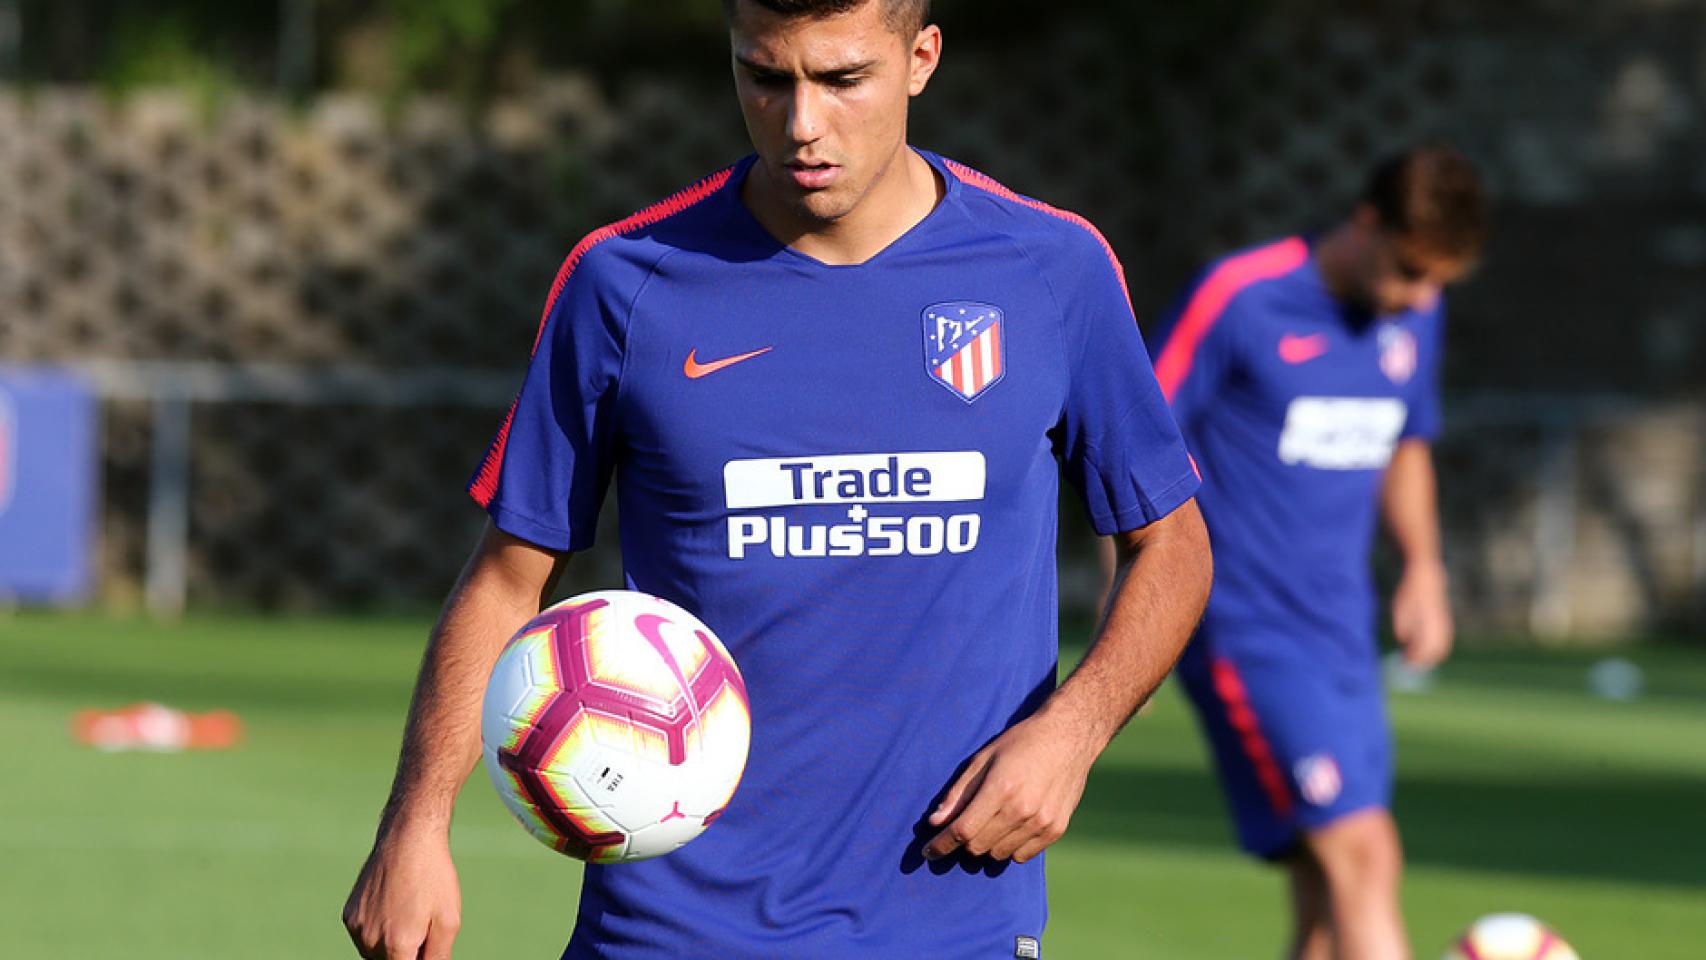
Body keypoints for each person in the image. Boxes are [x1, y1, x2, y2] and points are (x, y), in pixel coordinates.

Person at [342, 0, 1213, 957]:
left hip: (949, 915)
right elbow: (510, 577)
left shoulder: (1051, 271)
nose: (802, 124)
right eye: (765, 76)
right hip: (668, 929)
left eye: (842, 80)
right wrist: (414, 825)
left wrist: (1073, 731)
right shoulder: (626, 280)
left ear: (920, 58)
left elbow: (1170, 543)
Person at [1143, 146, 1487, 960]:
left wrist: (1425, 571)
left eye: (1439, 281)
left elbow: (1408, 444)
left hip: (1343, 633)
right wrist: (1140, 615)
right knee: (1365, 855)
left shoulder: (1416, 313)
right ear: (1367, 224)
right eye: (1410, 270)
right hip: (1242, 627)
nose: (1422, 295)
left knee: (1326, 906)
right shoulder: (1240, 296)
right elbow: (1136, 447)